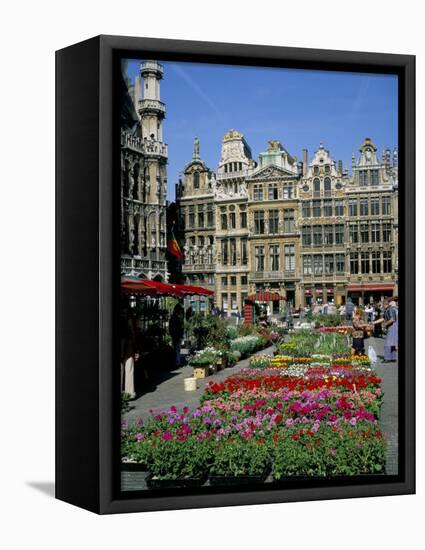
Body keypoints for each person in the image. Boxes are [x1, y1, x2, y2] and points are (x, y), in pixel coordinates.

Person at [121, 317, 138, 398]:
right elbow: (132, 329)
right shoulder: (128, 314)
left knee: (121, 365)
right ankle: (130, 392)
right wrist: (135, 347)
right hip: (128, 340)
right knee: (129, 366)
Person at [169, 302, 185, 367]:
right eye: (180, 310)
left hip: (175, 335)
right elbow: (178, 328)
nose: (181, 311)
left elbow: (170, 328)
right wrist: (180, 334)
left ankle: (177, 362)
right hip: (177, 336)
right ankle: (177, 362)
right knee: (177, 349)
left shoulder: (173, 317)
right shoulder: (176, 318)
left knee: (176, 349)